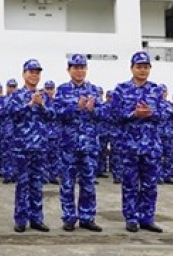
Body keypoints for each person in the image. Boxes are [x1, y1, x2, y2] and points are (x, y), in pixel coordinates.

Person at [110, 51, 166, 233]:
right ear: (132, 68)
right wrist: (133, 114)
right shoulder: (121, 89)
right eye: (139, 67)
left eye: (145, 67)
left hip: (150, 146)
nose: (142, 70)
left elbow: (165, 115)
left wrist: (151, 114)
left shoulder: (156, 90)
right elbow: (115, 115)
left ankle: (147, 218)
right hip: (129, 146)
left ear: (150, 69)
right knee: (130, 184)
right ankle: (131, 218)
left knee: (150, 184)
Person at [55, 53, 106, 232]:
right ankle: (69, 217)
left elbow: (103, 115)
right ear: (69, 70)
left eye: (82, 67)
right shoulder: (62, 90)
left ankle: (87, 217)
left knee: (88, 182)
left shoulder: (94, 90)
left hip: (89, 144)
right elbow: (56, 114)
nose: (79, 71)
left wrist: (92, 110)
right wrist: (75, 107)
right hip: (68, 144)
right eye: (76, 67)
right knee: (67, 182)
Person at [7, 59, 54, 233]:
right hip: (21, 147)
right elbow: (12, 114)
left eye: (37, 72)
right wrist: (29, 105)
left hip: (40, 146)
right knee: (22, 184)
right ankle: (21, 220)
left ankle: (37, 219)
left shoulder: (45, 96)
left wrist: (41, 105)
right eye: (31, 72)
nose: (34, 75)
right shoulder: (16, 95)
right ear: (24, 74)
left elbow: (53, 116)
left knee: (37, 185)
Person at [0, 78, 18, 184]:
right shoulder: (2, 100)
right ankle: (7, 174)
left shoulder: (20, 99)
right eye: (10, 87)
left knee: (15, 154)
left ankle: (14, 174)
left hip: (18, 132)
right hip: (5, 130)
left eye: (14, 87)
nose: (12, 89)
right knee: (5, 154)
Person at [159, 92, 173, 184]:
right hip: (158, 134)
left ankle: (167, 176)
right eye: (161, 91)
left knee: (169, 156)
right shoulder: (153, 103)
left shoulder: (170, 105)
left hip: (169, 134)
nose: (162, 94)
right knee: (157, 157)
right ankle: (158, 177)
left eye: (164, 92)